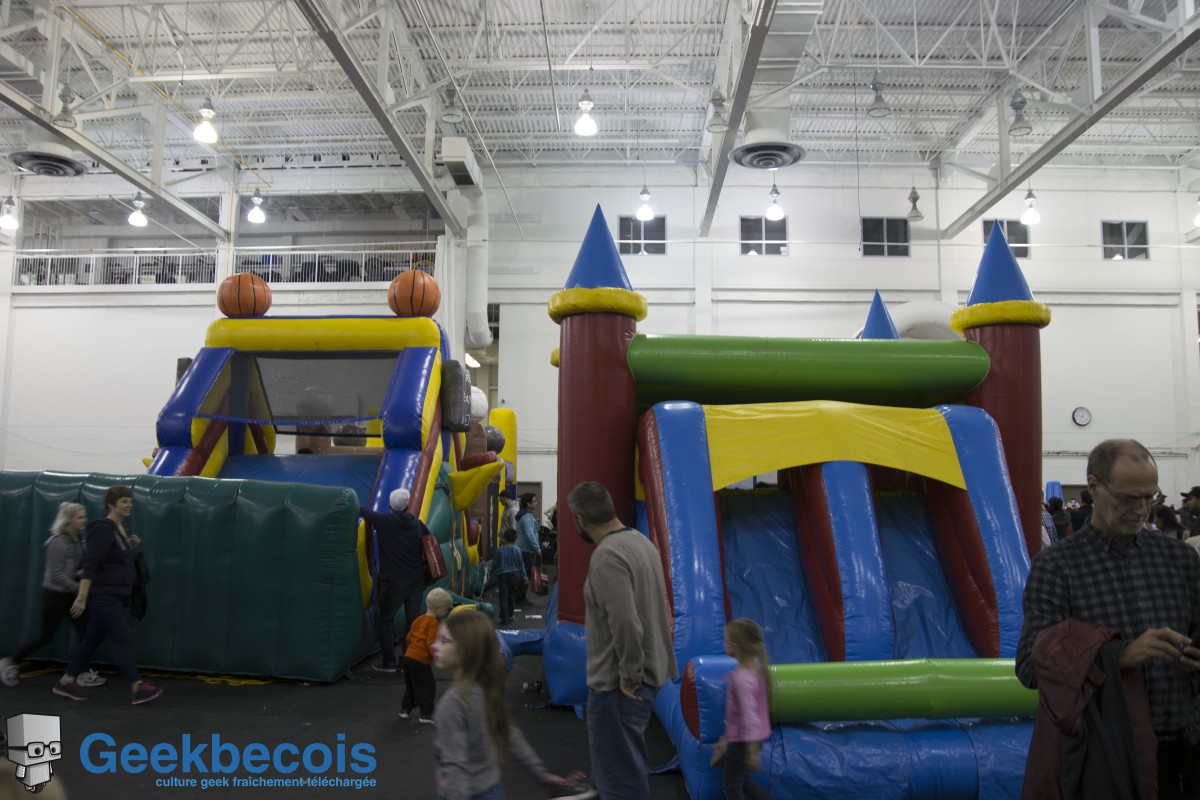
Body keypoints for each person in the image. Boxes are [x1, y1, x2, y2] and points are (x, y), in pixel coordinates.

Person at [1016, 440, 1200, 799]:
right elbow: (1030, 667)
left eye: (1150, 498)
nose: (1142, 510)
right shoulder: (1057, 566)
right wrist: (1118, 657)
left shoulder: (1180, 559)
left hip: (1185, 752)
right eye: (1130, 498)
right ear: (1095, 487)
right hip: (1108, 758)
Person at [568, 481, 678, 800]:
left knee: (619, 781)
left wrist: (630, 674)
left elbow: (625, 621)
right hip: (649, 675)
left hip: (620, 685)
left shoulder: (608, 556)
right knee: (623, 768)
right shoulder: (641, 542)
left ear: (580, 519)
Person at [430, 608, 595, 799]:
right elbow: (510, 735)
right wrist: (543, 776)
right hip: (492, 790)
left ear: (466, 651)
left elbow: (455, 769)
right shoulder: (485, 690)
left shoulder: (452, 705)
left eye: (444, 641)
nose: (434, 646)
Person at [52, 486, 163, 705]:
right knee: (122, 638)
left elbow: (115, 560)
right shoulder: (103, 529)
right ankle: (136, 687)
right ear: (111, 505)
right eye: (123, 501)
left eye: (130, 501)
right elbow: (91, 564)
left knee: (91, 640)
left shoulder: (121, 530)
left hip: (119, 595)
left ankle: (66, 681)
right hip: (105, 596)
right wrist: (82, 597)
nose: (129, 505)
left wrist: (130, 546)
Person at [1, 503, 105, 689]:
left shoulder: (82, 541)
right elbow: (56, 575)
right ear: (68, 520)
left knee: (85, 634)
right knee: (45, 636)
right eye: (80, 517)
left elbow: (81, 567)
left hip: (71, 597)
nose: (84, 520)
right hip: (54, 597)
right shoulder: (56, 542)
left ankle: (82, 673)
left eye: (84, 516)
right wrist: (80, 589)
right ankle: (10, 662)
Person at [360, 488, 430, 673]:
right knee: (412, 621)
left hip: (393, 581)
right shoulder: (417, 524)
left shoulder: (384, 521)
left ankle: (389, 661)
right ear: (408, 506)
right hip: (416, 580)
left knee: (385, 620)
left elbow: (362, 511)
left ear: (390, 506)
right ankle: (407, 660)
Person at [717, 618, 772, 800]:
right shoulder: (754, 672)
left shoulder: (742, 679)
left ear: (735, 647)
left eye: (726, 641)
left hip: (744, 740)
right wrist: (726, 737)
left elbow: (749, 717)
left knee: (731, 786)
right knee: (742, 781)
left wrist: (751, 750)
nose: (724, 644)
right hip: (748, 737)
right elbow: (738, 714)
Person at [400, 587, 454, 724]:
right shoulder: (433, 624)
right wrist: (439, 657)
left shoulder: (418, 620)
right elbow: (431, 644)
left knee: (411, 685)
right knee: (426, 686)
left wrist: (408, 652)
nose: (446, 612)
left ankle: (405, 709)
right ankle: (426, 713)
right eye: (445, 610)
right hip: (420, 661)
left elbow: (408, 638)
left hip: (408, 658)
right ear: (437, 608)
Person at [491, 529, 526, 626]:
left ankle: (504, 618)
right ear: (515, 539)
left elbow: (495, 563)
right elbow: (521, 565)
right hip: (514, 576)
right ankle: (510, 614)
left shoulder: (500, 550)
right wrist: (525, 577)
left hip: (502, 576)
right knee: (512, 596)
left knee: (503, 597)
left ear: (504, 538)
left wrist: (491, 571)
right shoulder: (517, 550)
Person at [515, 493, 540, 603]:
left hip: (524, 549)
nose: (536, 503)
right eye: (534, 501)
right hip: (528, 551)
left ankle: (520, 597)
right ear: (528, 504)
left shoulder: (524, 516)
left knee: (524, 574)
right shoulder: (526, 518)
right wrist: (537, 549)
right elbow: (530, 535)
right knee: (525, 575)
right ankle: (520, 598)